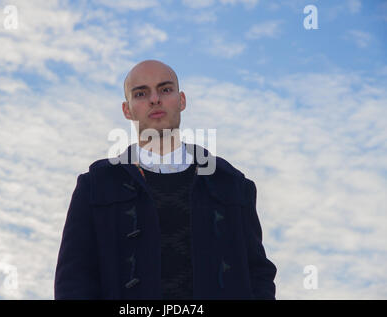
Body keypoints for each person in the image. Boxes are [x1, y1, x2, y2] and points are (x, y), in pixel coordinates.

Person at [54, 60, 277, 300]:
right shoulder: (96, 186)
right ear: (127, 110)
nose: (154, 99)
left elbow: (258, 275)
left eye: (165, 89)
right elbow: (73, 281)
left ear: (181, 101)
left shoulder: (232, 185)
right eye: (141, 93)